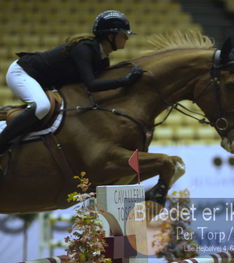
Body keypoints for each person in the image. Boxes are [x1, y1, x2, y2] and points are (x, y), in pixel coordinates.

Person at [0, 10, 143, 155]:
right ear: (110, 35)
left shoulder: (103, 60)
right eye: (123, 34)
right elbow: (92, 85)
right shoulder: (84, 48)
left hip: (44, 82)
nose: (126, 37)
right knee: (42, 107)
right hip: (23, 72)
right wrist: (126, 81)